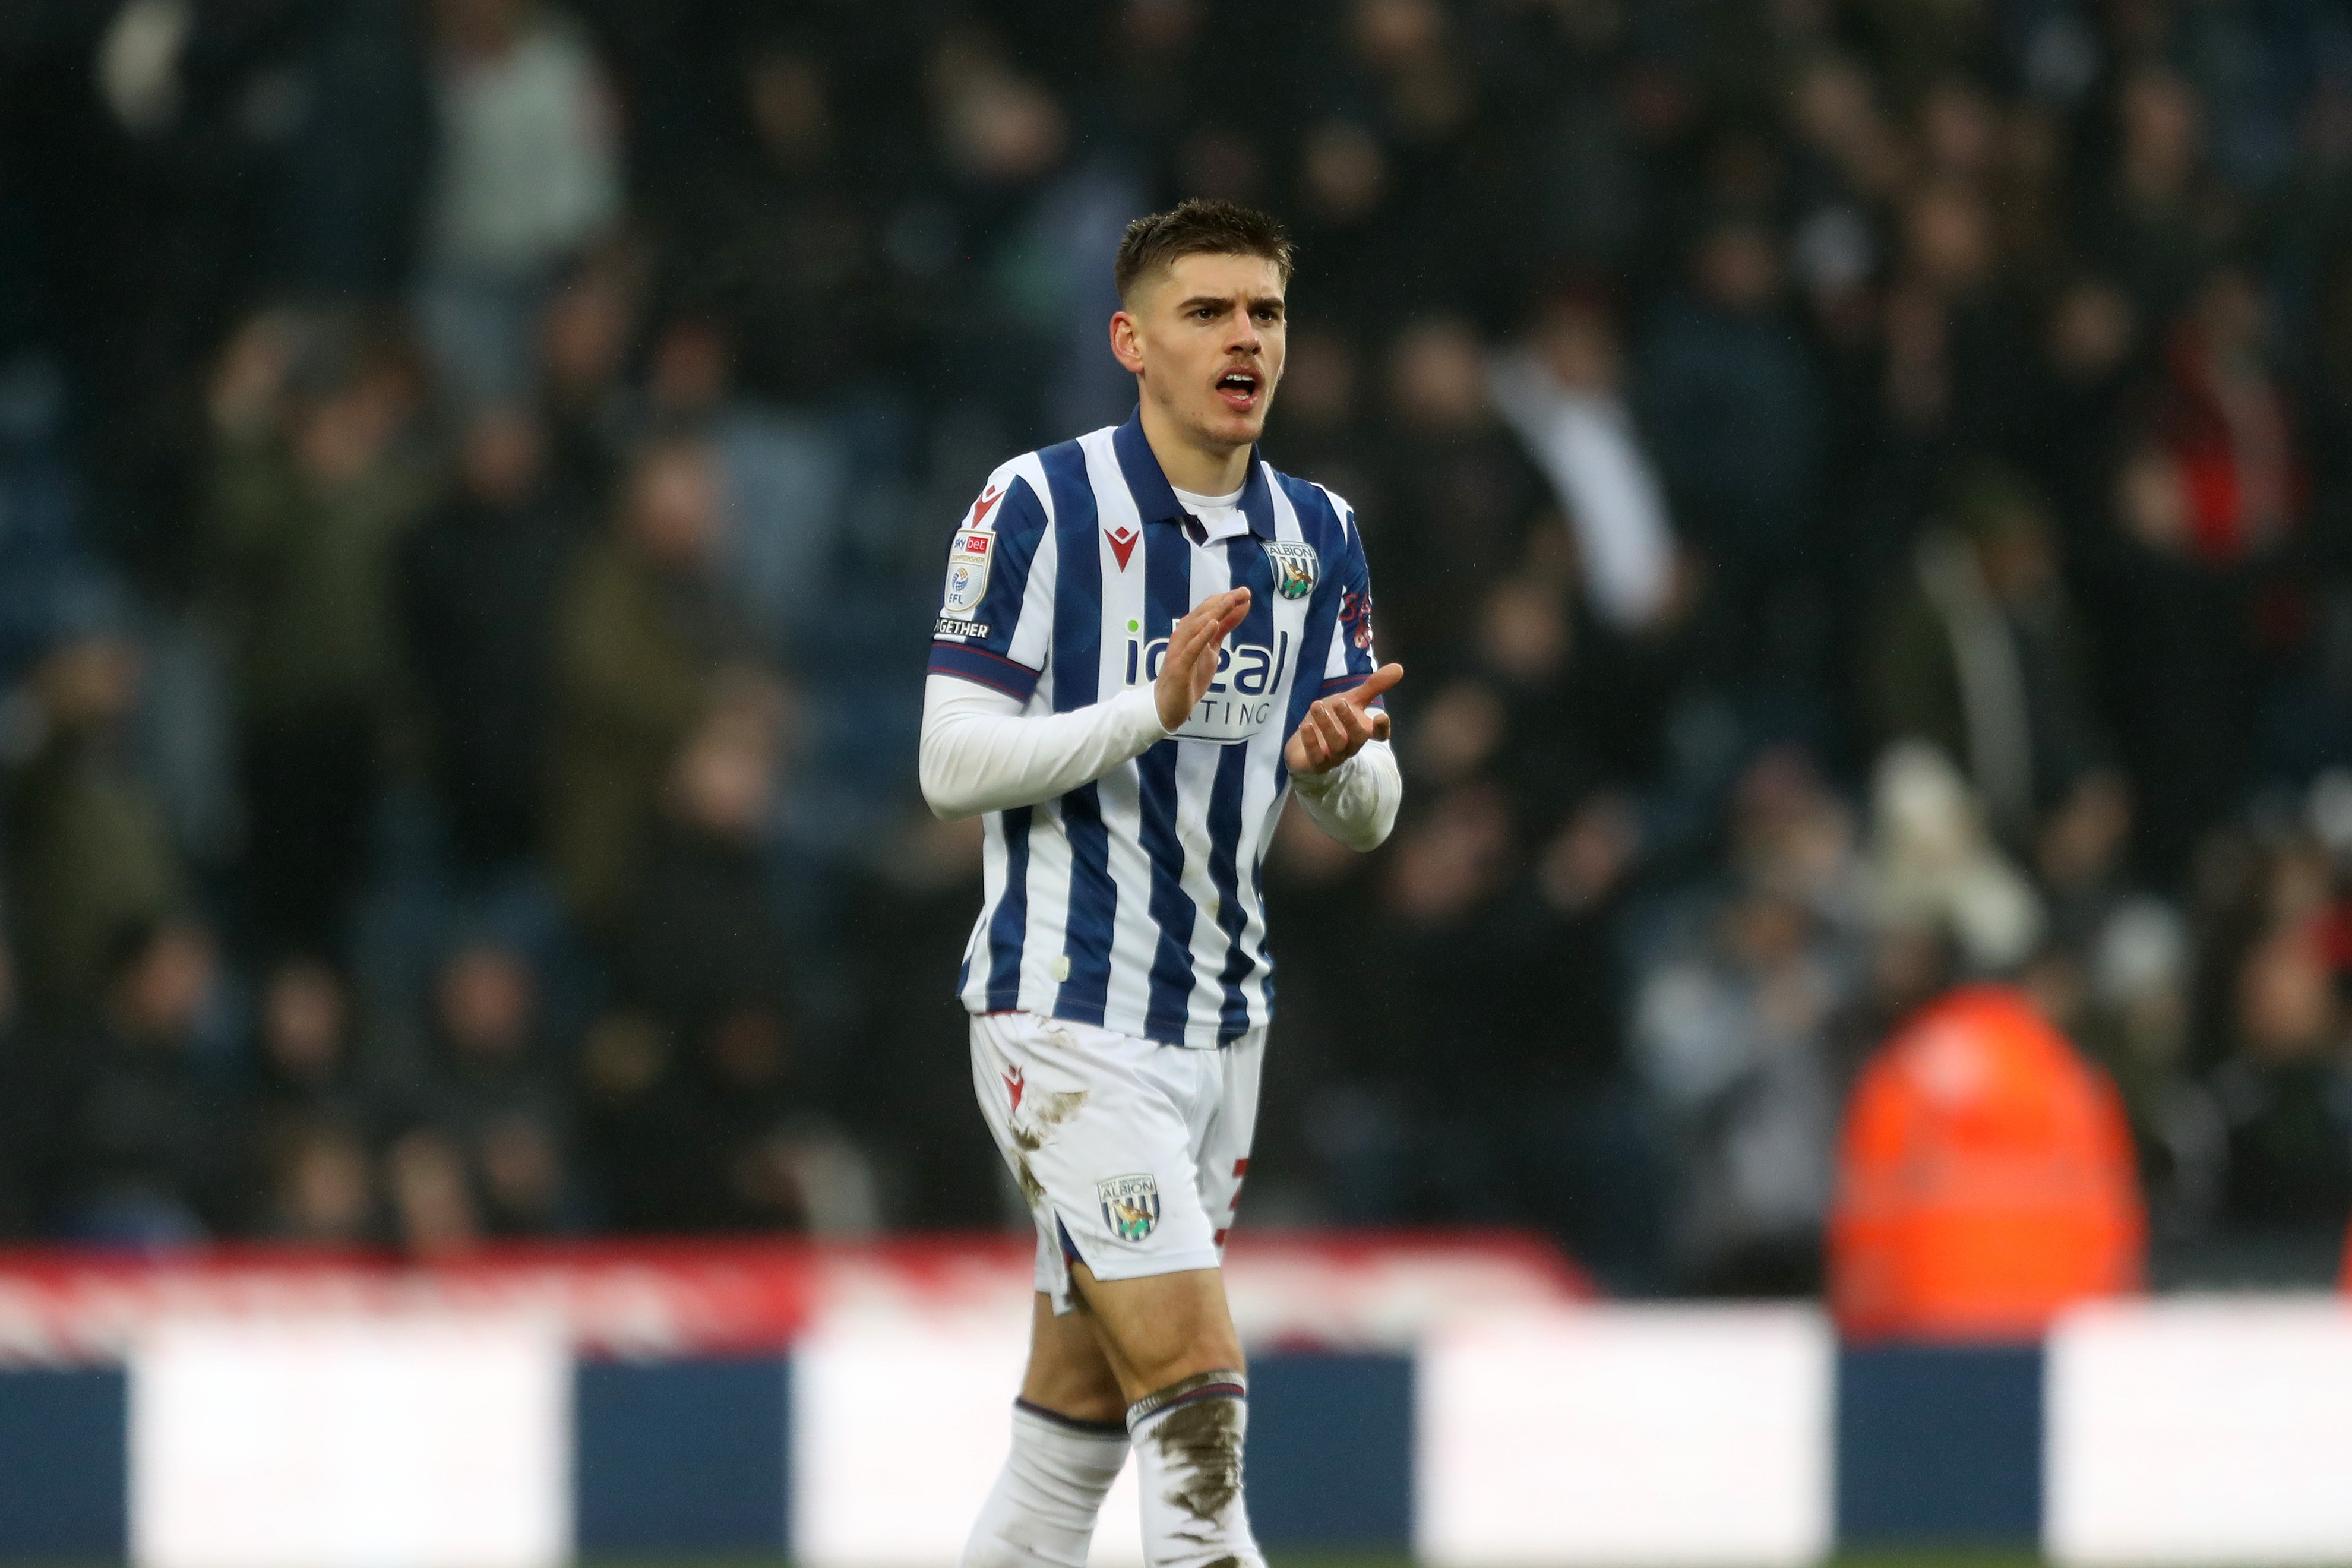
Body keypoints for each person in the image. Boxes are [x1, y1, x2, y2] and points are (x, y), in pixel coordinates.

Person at [918, 200, 1402, 1568]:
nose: (1244, 338)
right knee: (1198, 1415)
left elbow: (1372, 809)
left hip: (1222, 1033)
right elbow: (949, 764)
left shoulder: (1320, 536)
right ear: (1132, 340)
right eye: (1208, 312)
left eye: (1266, 313)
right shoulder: (1037, 504)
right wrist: (1150, 706)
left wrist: (1333, 773)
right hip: (1064, 1016)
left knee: (1067, 1443)